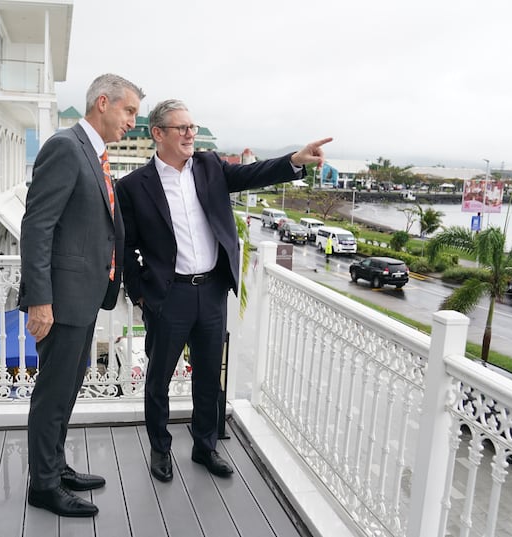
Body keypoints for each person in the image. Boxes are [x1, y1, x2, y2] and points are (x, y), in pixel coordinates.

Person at [115, 98, 331, 483]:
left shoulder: (210, 166)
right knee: (159, 378)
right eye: (181, 128)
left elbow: (253, 174)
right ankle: (161, 449)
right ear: (158, 133)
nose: (189, 134)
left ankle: (205, 446)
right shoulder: (133, 186)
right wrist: (141, 293)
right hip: (169, 296)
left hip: (211, 291)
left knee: (209, 377)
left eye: (192, 127)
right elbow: (126, 246)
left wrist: (294, 160)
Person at [19, 73, 144, 517]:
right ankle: (44, 486)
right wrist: (40, 299)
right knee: (53, 393)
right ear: (103, 103)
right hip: (61, 298)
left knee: (68, 389)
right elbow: (37, 225)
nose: (133, 120)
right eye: (129, 111)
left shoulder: (95, 153)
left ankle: (54, 466)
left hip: (84, 295)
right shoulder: (65, 147)